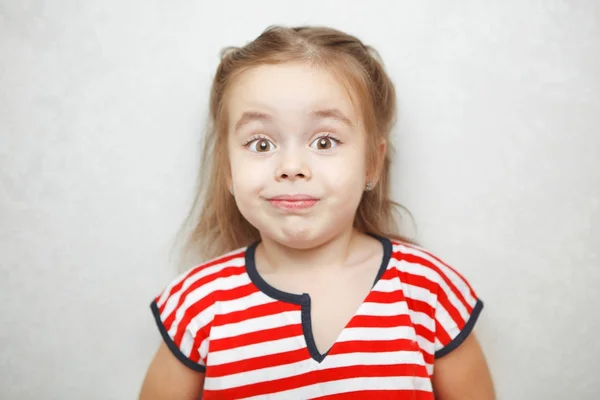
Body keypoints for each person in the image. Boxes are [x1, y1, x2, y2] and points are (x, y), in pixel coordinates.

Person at [139, 25, 495, 400]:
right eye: (261, 143)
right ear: (228, 170)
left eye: (324, 141)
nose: (291, 167)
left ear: (372, 164)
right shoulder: (198, 304)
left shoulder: (428, 291)